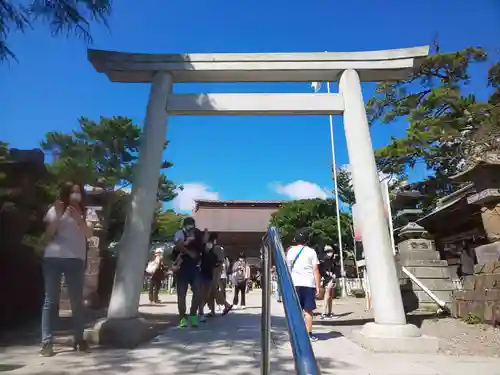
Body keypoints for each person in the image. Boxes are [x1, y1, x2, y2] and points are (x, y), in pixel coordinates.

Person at [39, 182, 93, 356]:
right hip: (53, 257)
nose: (75, 195)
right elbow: (47, 235)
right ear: (65, 193)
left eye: (78, 192)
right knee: (50, 300)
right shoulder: (54, 209)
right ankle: (46, 343)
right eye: (72, 192)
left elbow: (89, 234)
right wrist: (59, 215)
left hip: (75, 258)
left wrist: (79, 220)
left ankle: (79, 338)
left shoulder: (86, 212)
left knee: (76, 301)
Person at [286, 228, 321, 342]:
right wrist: (318, 286)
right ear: (307, 239)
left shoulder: (290, 251)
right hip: (309, 284)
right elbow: (316, 270)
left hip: (294, 284)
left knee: (295, 310)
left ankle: (295, 333)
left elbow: (287, 268)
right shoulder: (311, 252)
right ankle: (308, 334)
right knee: (308, 311)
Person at [172, 217, 204, 328]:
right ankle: (182, 318)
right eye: (189, 225)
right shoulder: (180, 233)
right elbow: (178, 245)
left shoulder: (197, 234)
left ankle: (193, 314)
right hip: (182, 266)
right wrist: (189, 252)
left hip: (194, 266)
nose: (191, 227)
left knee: (198, 292)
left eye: (192, 225)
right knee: (182, 294)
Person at [205, 233, 233, 316]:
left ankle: (226, 305)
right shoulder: (213, 247)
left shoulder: (217, 248)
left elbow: (220, 261)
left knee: (212, 288)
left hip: (215, 270)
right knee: (211, 289)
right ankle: (212, 310)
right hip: (212, 270)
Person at [320, 245, 337, 319]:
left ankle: (329, 312)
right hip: (327, 279)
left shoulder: (332, 260)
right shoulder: (323, 260)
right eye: (328, 252)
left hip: (331, 279)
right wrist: (327, 273)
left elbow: (336, 269)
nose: (330, 253)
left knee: (330, 296)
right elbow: (321, 270)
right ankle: (323, 313)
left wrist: (334, 275)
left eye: (331, 252)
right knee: (327, 295)